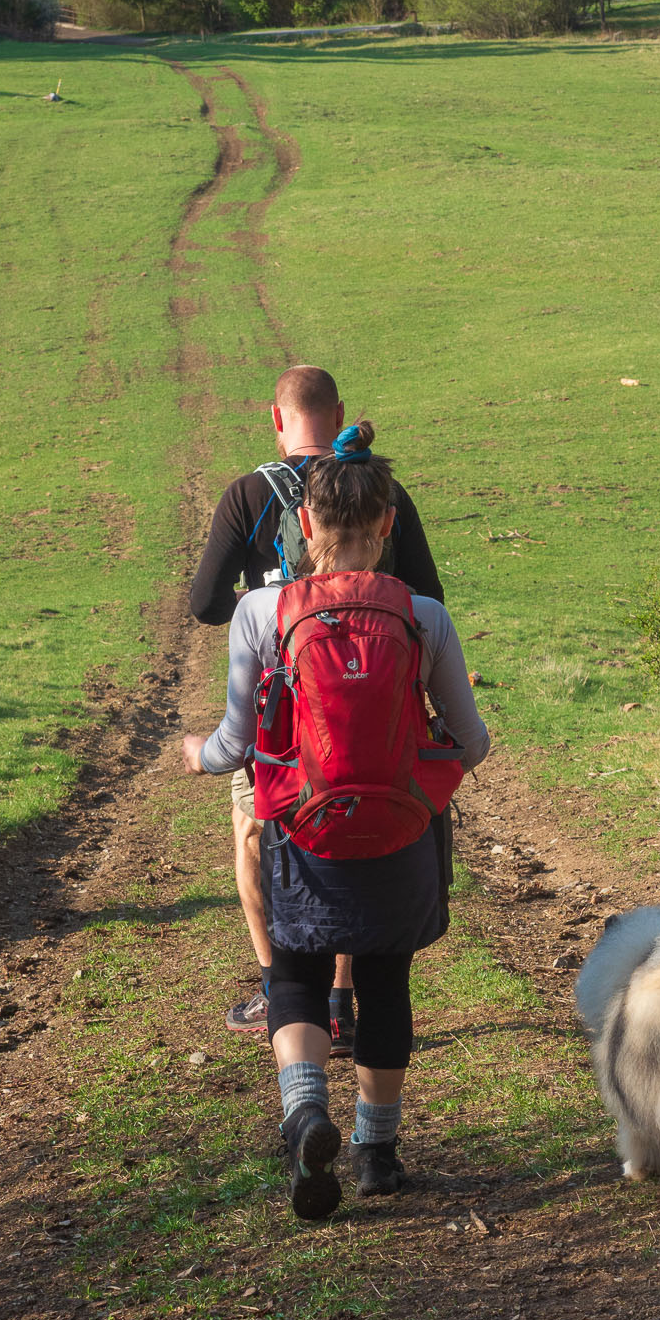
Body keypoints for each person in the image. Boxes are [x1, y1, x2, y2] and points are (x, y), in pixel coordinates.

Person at [181, 429, 489, 1220]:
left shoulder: (258, 613)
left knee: (295, 979)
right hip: (399, 834)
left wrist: (196, 756)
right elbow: (473, 741)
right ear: (388, 526)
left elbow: (236, 744)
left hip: (303, 837)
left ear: (305, 528)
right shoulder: (425, 618)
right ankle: (378, 1156)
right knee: (385, 984)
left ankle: (304, 1113)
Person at [189, 365, 444, 1050]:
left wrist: (265, 600)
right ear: (339, 416)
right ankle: (340, 995)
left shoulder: (247, 495)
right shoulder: (384, 494)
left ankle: (281, 988)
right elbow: (430, 598)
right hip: (374, 711)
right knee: (357, 828)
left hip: (280, 715)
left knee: (258, 837)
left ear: (278, 419)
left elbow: (205, 604)